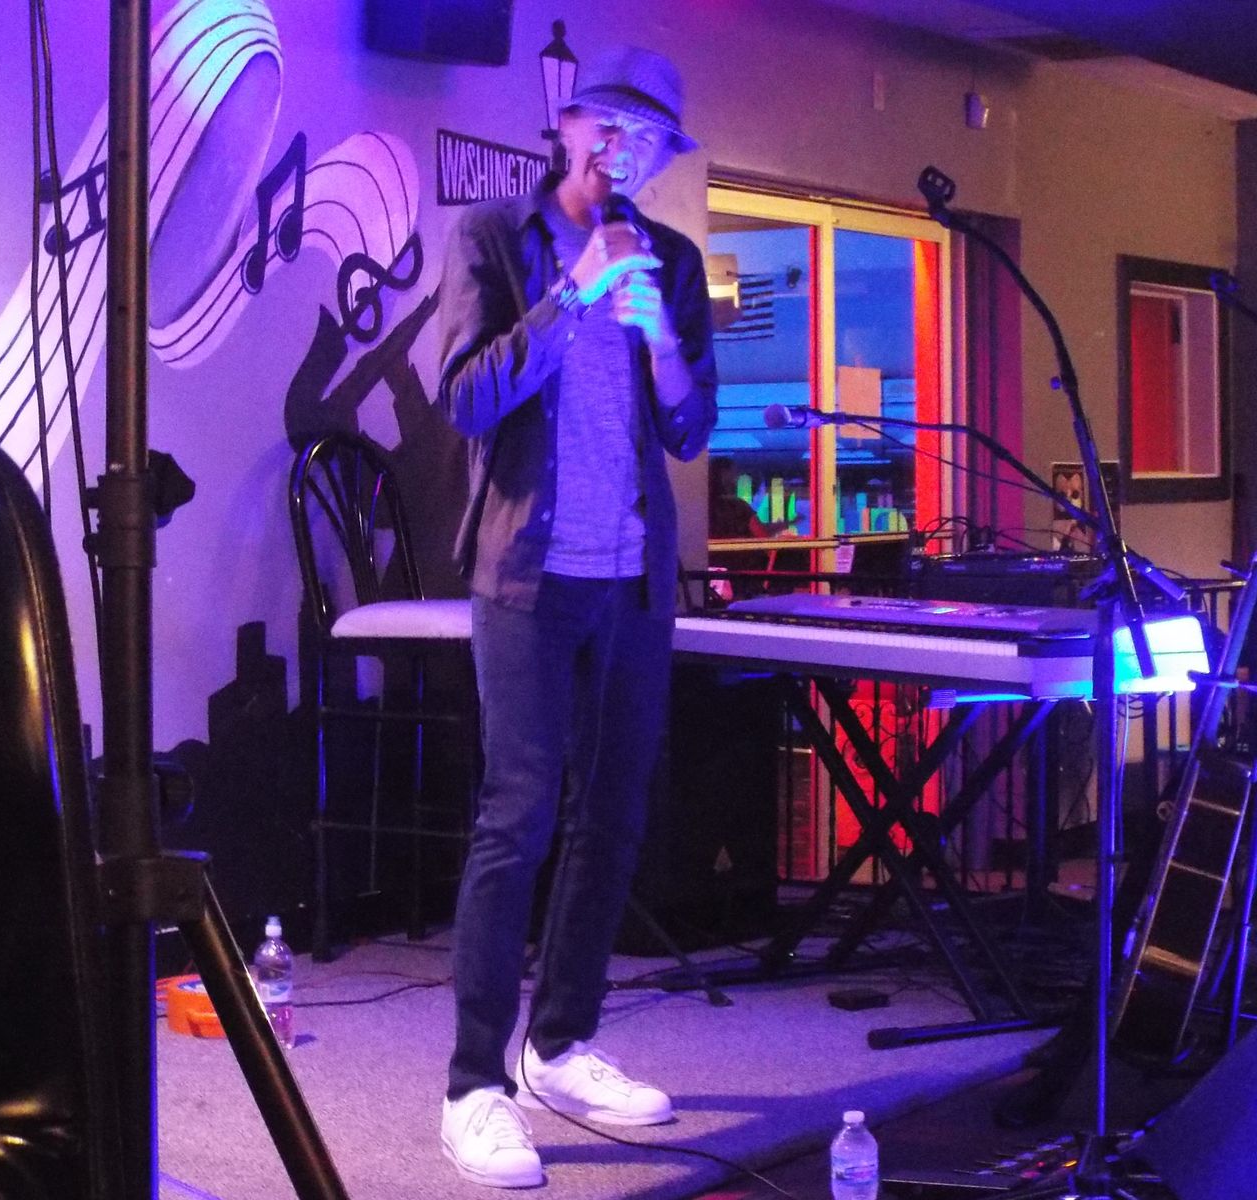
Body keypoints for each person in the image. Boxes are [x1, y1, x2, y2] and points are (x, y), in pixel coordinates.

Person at [432, 45, 717, 1189]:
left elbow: (690, 428)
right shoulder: (495, 239)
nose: (625, 149)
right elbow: (465, 398)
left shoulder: (674, 260)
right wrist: (575, 293)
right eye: (610, 126)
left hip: (633, 576)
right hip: (527, 576)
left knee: (613, 815)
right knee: (518, 817)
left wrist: (658, 338)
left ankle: (560, 1045)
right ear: (568, 127)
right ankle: (472, 1086)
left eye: (647, 138)